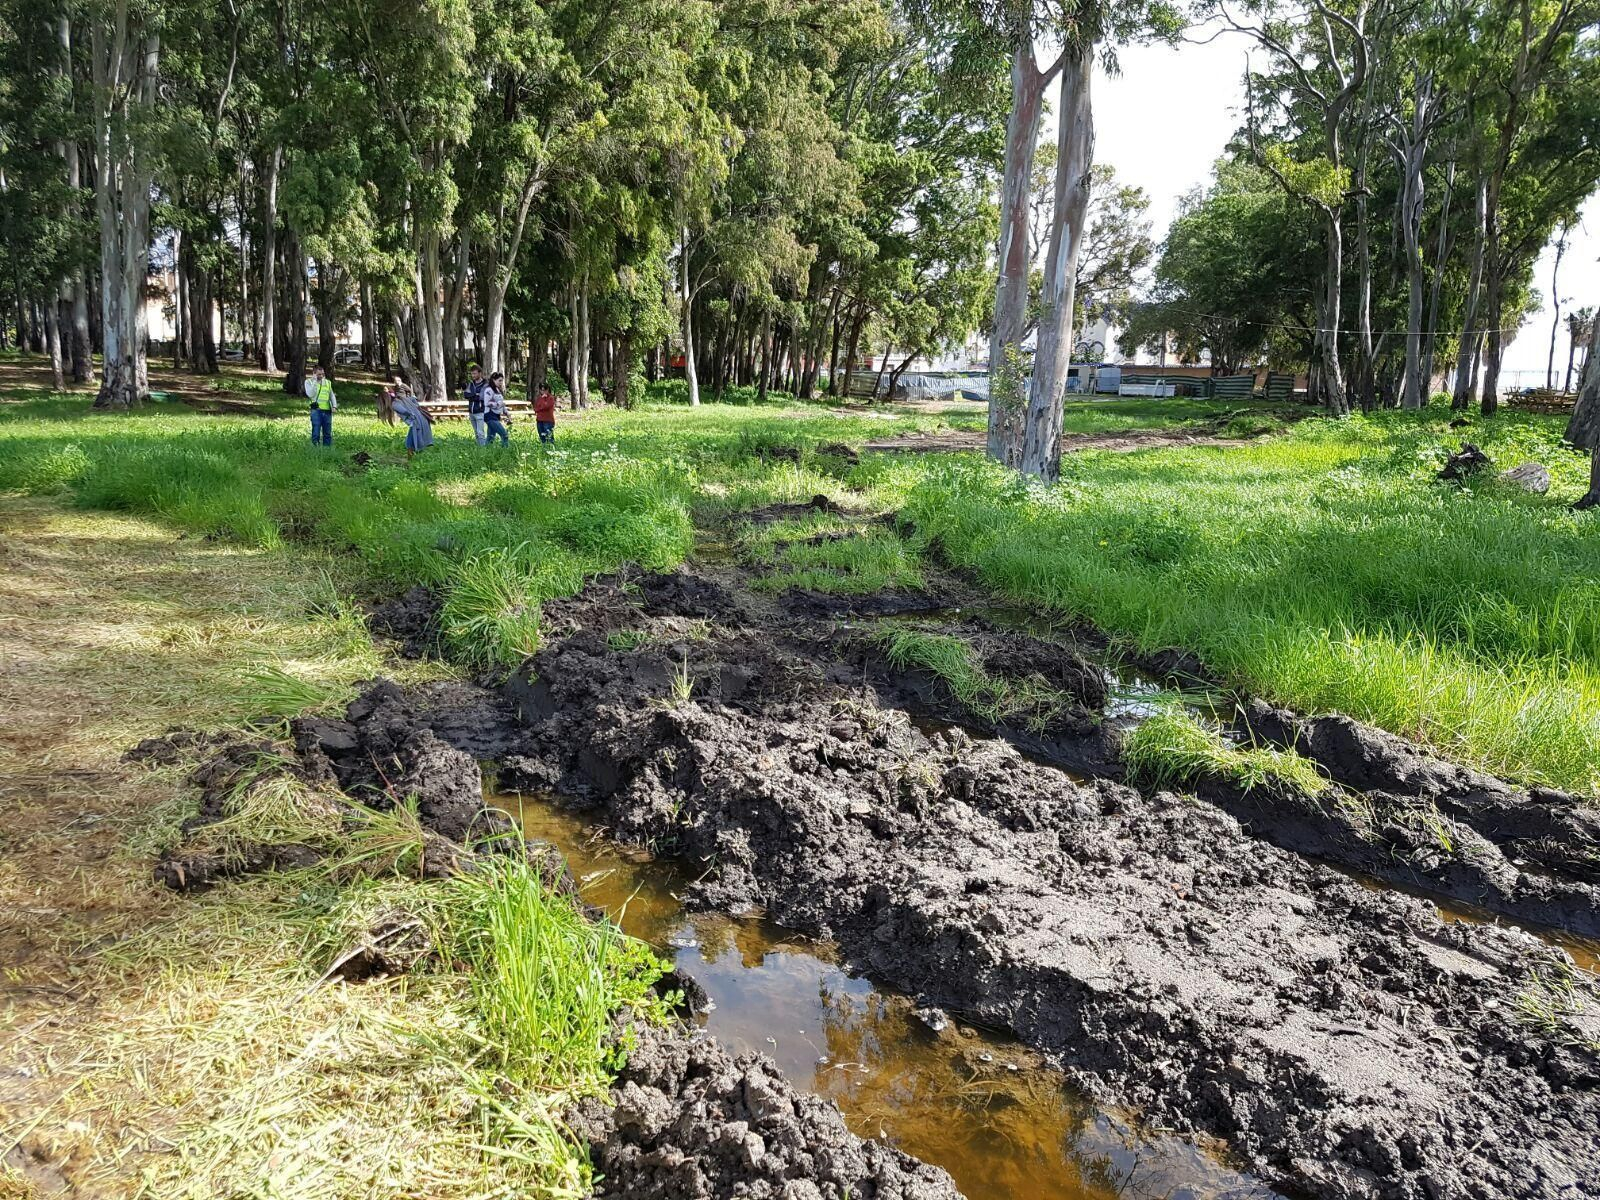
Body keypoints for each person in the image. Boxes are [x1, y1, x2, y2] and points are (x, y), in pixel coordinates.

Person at [387, 377, 434, 459]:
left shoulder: (396, 403)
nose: (397, 382)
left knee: (410, 442)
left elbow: (405, 410)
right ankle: (412, 458)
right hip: (416, 419)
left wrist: (411, 415)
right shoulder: (398, 395)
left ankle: (414, 459)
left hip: (416, 421)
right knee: (410, 442)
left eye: (398, 380)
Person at [304, 365, 336, 446]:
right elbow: (310, 394)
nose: (321, 376)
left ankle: (327, 450)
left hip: (327, 410)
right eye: (319, 374)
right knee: (316, 432)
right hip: (316, 410)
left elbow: (331, 395)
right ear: (314, 373)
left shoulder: (328, 383)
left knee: (327, 433)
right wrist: (314, 381)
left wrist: (334, 406)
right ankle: (316, 449)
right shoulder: (308, 382)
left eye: (322, 374)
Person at [464, 364, 488, 447]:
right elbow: (466, 394)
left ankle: (483, 450)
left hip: (480, 411)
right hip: (471, 412)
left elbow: (482, 397)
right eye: (472, 374)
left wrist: (473, 395)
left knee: (480, 432)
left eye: (474, 373)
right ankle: (478, 448)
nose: (473, 375)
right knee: (476, 432)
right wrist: (474, 395)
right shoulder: (471, 384)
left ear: (480, 373)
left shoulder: (485, 384)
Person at [484, 372, 511, 446]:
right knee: (504, 434)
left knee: (490, 437)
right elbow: (487, 403)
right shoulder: (489, 390)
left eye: (502, 380)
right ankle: (505, 453)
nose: (501, 383)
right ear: (493, 380)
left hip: (496, 415)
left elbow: (501, 403)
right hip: (490, 415)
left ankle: (485, 454)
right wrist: (498, 404)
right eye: (499, 380)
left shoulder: (498, 390)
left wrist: (506, 412)